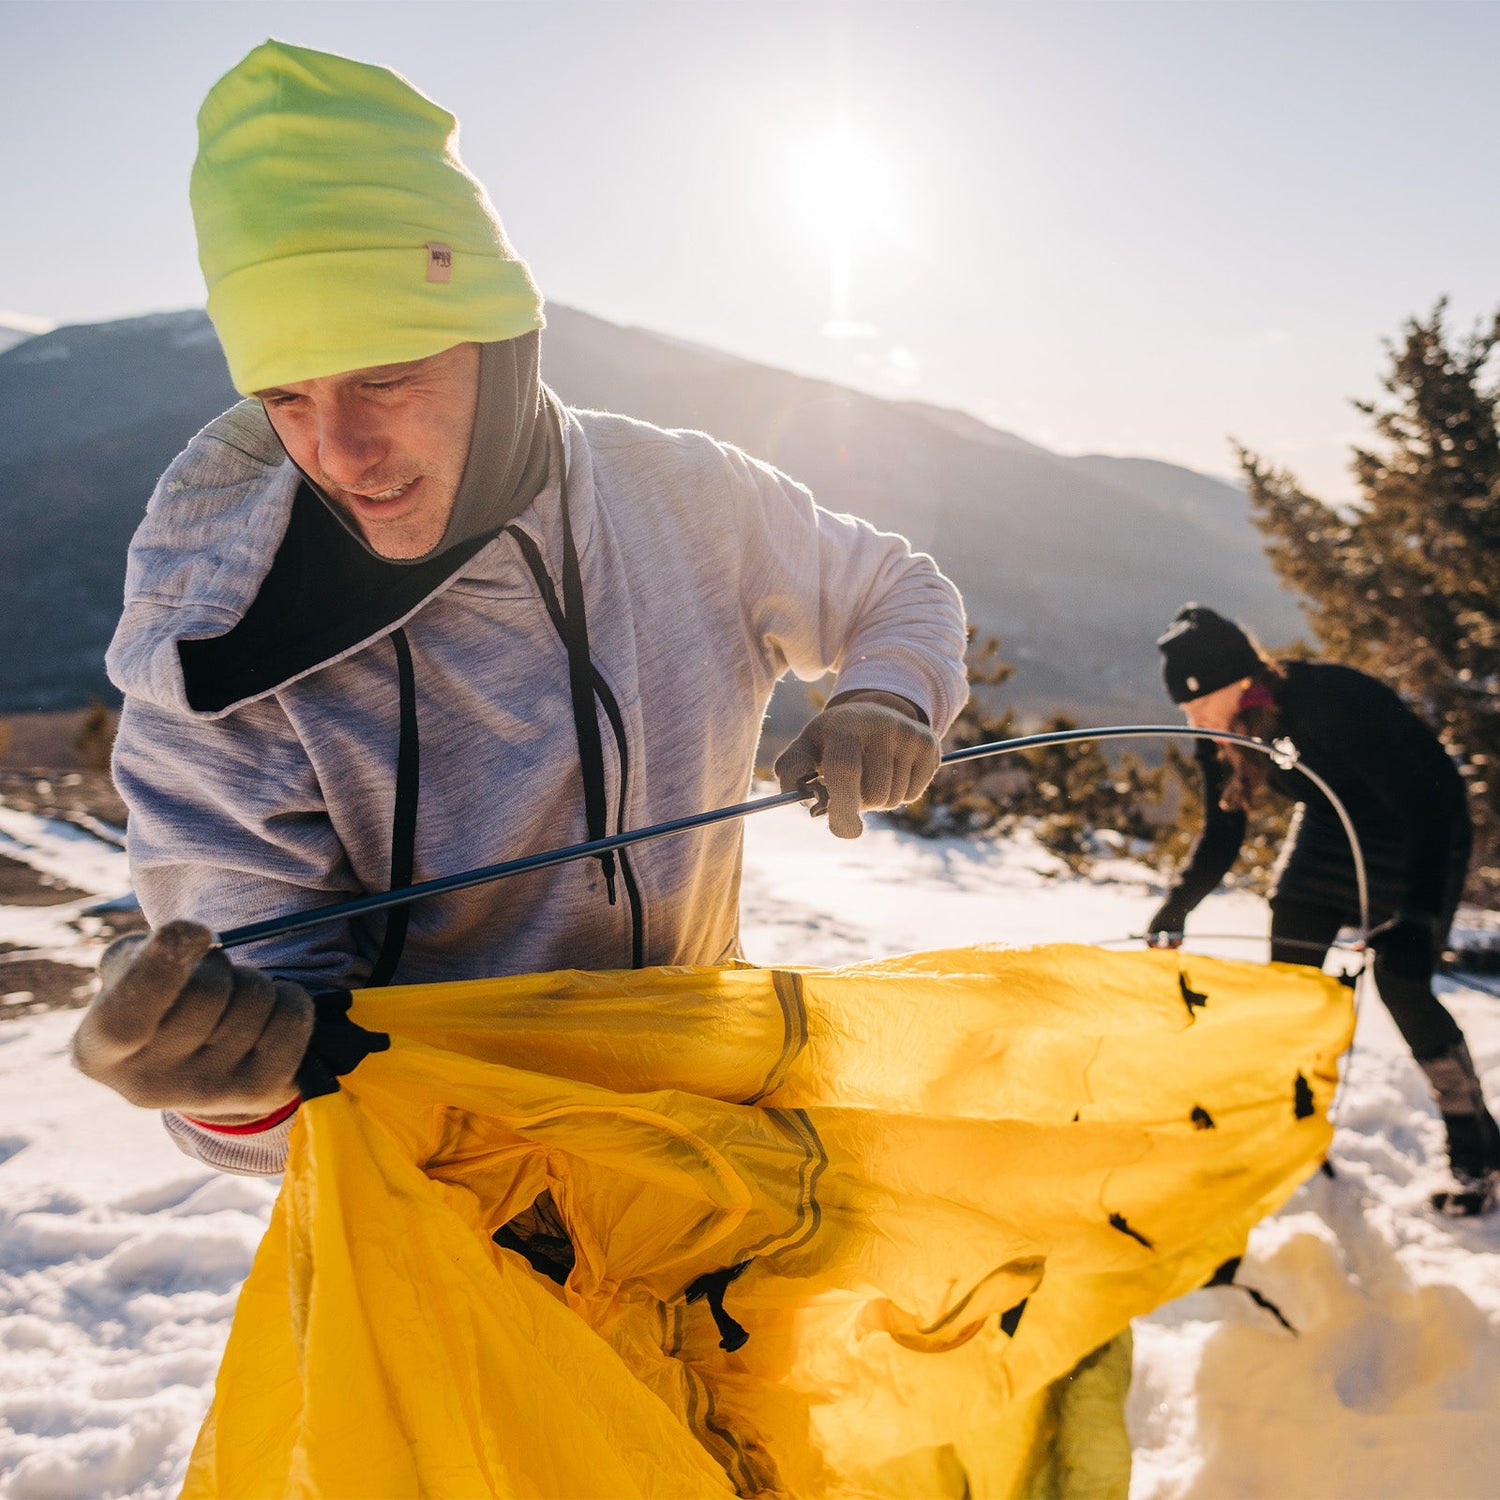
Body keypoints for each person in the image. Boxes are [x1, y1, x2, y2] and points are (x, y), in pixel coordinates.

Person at [70, 41, 967, 1176]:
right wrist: (234, 1081)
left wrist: (887, 694)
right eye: (286, 397)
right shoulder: (224, 649)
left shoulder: (684, 497)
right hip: (449, 1190)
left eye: (385, 377)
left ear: (503, 348)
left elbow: (894, 587)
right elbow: (274, 1034)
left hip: (708, 1112)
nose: (338, 453)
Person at [1147, 603, 1499, 1212]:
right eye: (1185, 707)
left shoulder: (1330, 701)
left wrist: (1417, 918)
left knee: (1403, 984)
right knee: (1290, 981)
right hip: (1331, 826)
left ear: (1239, 681)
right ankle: (1293, 1128)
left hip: (1419, 828)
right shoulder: (1223, 732)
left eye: (1198, 702)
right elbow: (1223, 831)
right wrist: (1177, 907)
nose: (1192, 718)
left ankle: (1478, 1154)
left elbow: (1426, 803)